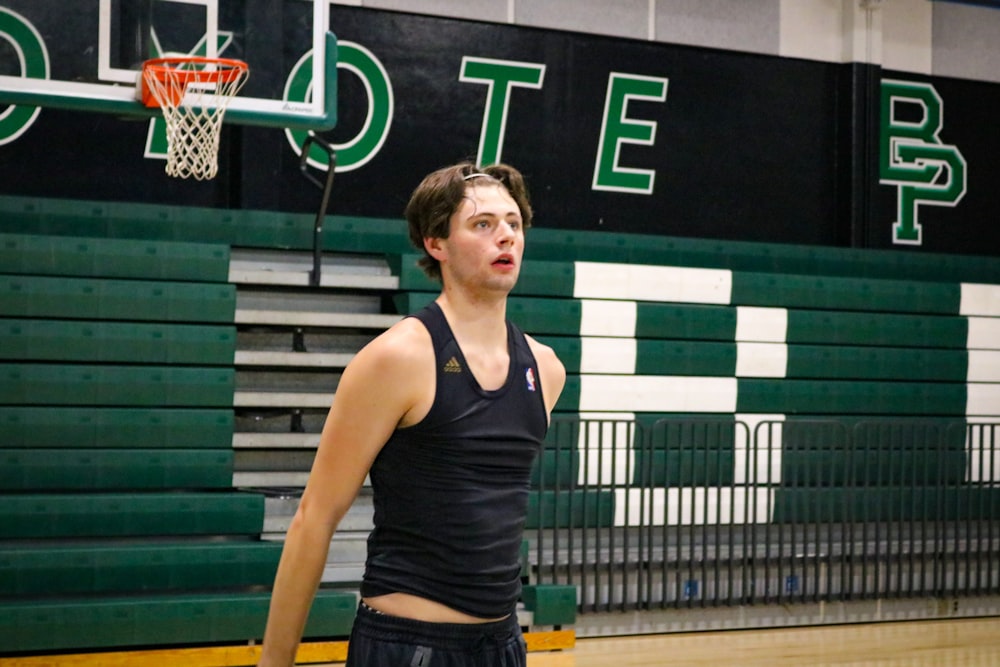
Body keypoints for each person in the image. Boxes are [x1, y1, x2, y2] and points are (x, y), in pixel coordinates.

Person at [256, 161, 566, 667]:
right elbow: (314, 518)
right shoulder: (396, 358)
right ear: (435, 244)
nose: (506, 236)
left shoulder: (546, 370)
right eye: (482, 224)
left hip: (503, 646)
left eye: (513, 222)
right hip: (409, 645)